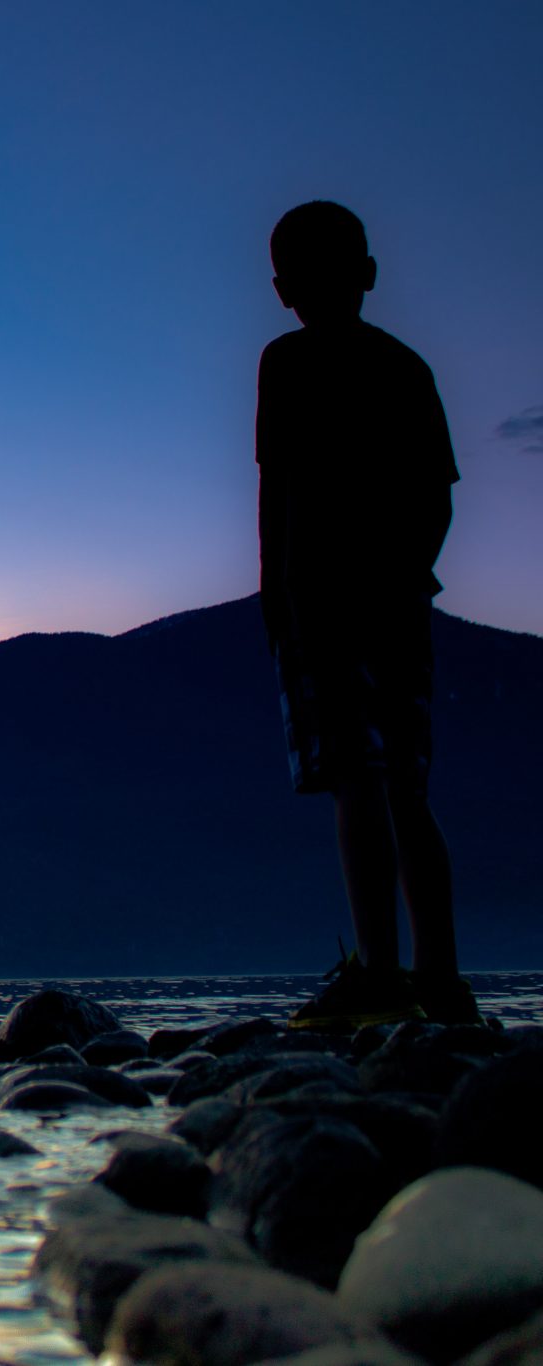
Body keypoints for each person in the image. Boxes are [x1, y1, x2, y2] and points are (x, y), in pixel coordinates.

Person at [256, 200, 478, 1031]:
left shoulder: (286, 363)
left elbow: (278, 491)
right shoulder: (407, 367)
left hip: (325, 600)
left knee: (358, 779)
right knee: (409, 789)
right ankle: (442, 975)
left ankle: (381, 973)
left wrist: (278, 597)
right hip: (400, 603)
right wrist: (413, 570)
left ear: (281, 290)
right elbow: (439, 496)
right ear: (370, 275)